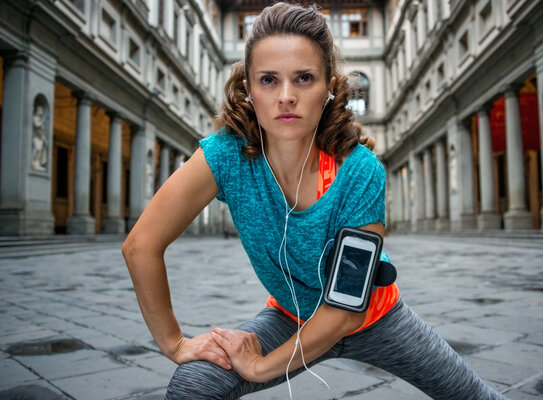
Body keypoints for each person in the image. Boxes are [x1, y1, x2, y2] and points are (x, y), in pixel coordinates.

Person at [122, 3, 509, 399]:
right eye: (268, 80)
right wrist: (175, 344)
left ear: (329, 88)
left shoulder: (360, 170)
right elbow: (141, 246)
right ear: (248, 90)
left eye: (304, 78)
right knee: (195, 385)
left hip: (378, 318)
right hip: (291, 316)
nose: (286, 96)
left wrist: (260, 366)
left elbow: (346, 308)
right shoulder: (226, 156)